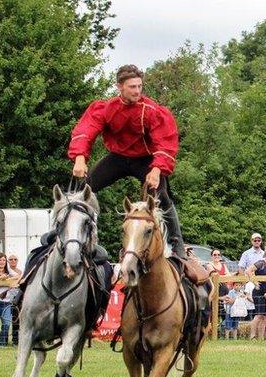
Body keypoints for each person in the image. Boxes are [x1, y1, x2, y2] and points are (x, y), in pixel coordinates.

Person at [69, 64, 187, 257]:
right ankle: (69, 234)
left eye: (140, 86)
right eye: (132, 87)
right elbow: (86, 129)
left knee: (162, 195)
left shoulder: (150, 110)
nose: (137, 91)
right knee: (83, 187)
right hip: (118, 158)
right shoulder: (107, 108)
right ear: (120, 87)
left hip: (145, 160)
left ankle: (177, 244)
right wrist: (79, 158)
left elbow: (165, 141)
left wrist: (157, 170)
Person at [246, 247, 266, 341]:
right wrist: (254, 281)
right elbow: (248, 270)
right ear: (265, 254)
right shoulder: (261, 263)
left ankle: (260, 337)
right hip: (259, 292)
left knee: (265, 316)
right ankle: (252, 336)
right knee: (258, 315)